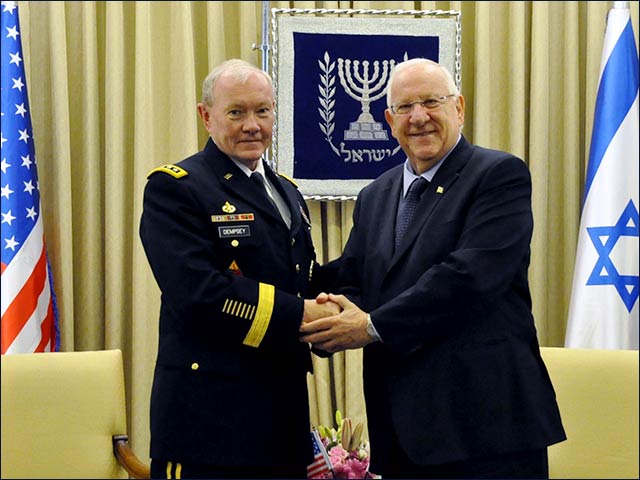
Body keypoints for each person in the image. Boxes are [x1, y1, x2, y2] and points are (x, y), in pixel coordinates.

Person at [300, 58, 567, 479]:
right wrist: (292, 295)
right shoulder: (376, 194)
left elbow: (468, 278)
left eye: (431, 102)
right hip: (401, 430)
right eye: (405, 107)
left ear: (458, 108)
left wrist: (369, 326)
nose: (419, 117)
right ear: (389, 120)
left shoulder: (498, 175)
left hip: (486, 431)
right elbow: (355, 277)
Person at [139, 59, 337, 479]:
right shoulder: (176, 188)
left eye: (262, 111)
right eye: (237, 112)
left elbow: (302, 279)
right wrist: (305, 315)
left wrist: (353, 295)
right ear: (206, 116)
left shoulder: (287, 191)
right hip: (209, 426)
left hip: (281, 419)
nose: (252, 125)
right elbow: (199, 294)